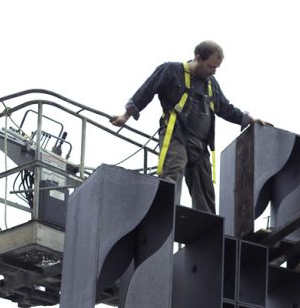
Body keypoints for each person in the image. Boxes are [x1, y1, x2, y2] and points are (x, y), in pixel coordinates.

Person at [110, 40, 268, 214]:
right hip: (176, 136)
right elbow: (147, 90)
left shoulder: (211, 84)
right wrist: (127, 115)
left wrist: (248, 119)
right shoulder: (172, 70)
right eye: (210, 66)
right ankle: (164, 217)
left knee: (205, 190)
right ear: (198, 57)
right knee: (172, 173)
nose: (213, 71)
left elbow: (224, 108)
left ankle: (207, 231)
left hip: (200, 145)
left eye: (216, 68)